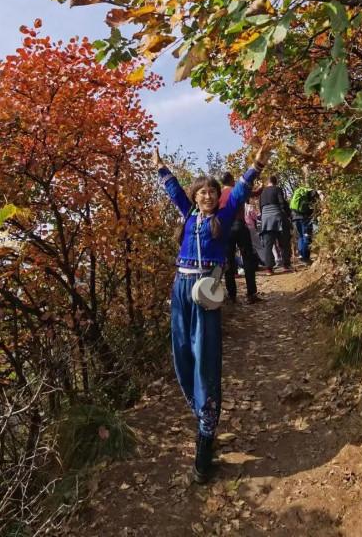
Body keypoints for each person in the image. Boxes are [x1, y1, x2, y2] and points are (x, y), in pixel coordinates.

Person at [153, 143, 270, 483]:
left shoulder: (223, 216)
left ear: (219, 197)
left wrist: (257, 164)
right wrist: (161, 167)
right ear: (195, 196)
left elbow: (243, 189)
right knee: (182, 356)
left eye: (212, 192)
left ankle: (204, 448)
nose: (206, 196)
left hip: (206, 294)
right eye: (202, 192)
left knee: (205, 360)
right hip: (181, 291)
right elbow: (174, 189)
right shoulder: (188, 215)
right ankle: (201, 416)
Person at [219, 172, 259, 304]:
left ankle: (232, 295)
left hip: (225, 229)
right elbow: (253, 193)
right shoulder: (237, 190)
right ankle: (251, 293)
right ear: (231, 180)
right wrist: (261, 187)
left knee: (229, 262)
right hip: (240, 225)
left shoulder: (217, 194)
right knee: (248, 259)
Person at [259, 175, 293, 271]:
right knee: (284, 242)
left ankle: (269, 268)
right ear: (276, 182)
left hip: (265, 219)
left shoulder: (262, 192)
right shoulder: (277, 189)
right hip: (278, 217)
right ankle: (286, 264)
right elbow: (281, 202)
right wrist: (288, 214)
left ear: (267, 182)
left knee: (268, 245)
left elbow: (260, 207)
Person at [290, 184, 319, 263]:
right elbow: (308, 209)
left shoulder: (300, 193)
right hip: (303, 218)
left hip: (294, 217)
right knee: (306, 236)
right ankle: (306, 257)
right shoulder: (311, 194)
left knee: (300, 237)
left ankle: (301, 256)